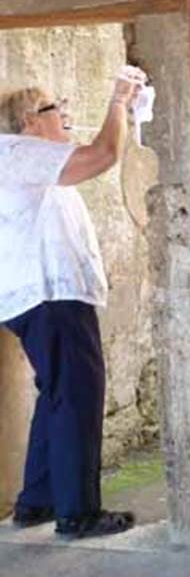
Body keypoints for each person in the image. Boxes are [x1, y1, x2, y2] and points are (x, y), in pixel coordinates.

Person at [0, 67, 145, 539]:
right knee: (78, 396)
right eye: (52, 107)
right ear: (28, 121)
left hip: (44, 298)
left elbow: (109, 149)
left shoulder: (31, 159)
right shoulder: (20, 151)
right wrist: (118, 100)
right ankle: (78, 513)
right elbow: (103, 153)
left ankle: (37, 501)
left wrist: (130, 114)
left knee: (58, 394)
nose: (64, 112)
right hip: (51, 296)